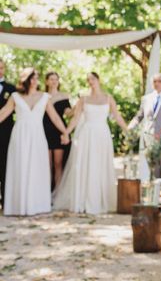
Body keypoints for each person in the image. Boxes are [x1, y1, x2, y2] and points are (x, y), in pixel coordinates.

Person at [53, 72, 128, 215]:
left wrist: (128, 130)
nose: (90, 81)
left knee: (100, 164)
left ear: (98, 80)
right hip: (86, 135)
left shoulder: (108, 98)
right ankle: (84, 199)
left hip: (102, 134)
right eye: (88, 80)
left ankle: (100, 199)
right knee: (86, 164)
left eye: (93, 78)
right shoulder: (84, 99)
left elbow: (117, 116)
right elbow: (75, 119)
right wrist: (66, 132)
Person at [0, 68, 69, 216]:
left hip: (37, 136)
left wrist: (65, 132)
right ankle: (18, 205)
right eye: (31, 78)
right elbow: (3, 113)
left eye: (36, 78)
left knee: (37, 167)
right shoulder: (15, 96)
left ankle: (37, 204)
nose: (34, 81)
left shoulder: (44, 97)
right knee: (20, 166)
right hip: (20, 136)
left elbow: (55, 117)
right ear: (25, 80)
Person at [128, 73, 161, 180]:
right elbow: (139, 116)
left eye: (160, 81)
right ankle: (153, 192)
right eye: (154, 81)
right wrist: (130, 126)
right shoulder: (146, 99)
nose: (157, 83)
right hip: (149, 137)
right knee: (152, 167)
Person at [43, 72, 72, 191]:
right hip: (44, 131)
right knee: (46, 164)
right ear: (46, 81)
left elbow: (69, 113)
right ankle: (46, 192)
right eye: (51, 79)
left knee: (58, 163)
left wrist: (78, 106)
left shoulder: (64, 97)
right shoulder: (42, 96)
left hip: (59, 132)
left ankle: (58, 193)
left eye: (56, 79)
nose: (54, 81)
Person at [0, 59, 16, 209]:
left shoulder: (12, 88)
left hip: (6, 132)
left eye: (2, 68)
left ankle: (5, 201)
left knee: (5, 164)